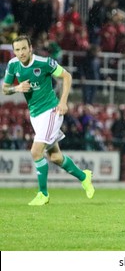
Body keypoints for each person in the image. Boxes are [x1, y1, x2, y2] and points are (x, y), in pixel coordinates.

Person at [2, 35, 95, 206]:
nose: (21, 53)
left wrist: (63, 101)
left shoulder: (44, 63)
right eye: (17, 50)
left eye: (24, 48)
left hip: (51, 110)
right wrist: (17, 88)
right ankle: (84, 176)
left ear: (30, 48)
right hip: (35, 115)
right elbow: (5, 89)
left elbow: (66, 76)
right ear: (14, 51)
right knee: (55, 157)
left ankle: (43, 194)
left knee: (36, 151)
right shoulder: (13, 65)